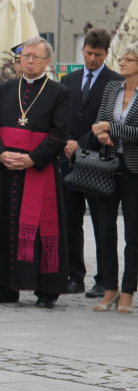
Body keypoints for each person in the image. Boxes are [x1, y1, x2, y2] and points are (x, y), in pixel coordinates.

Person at [0, 37, 70, 308]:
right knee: (4, 226)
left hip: (38, 170)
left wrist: (33, 159)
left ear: (47, 61)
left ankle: (46, 290)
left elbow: (59, 134)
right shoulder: (7, 88)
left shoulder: (59, 92)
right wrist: (0, 154)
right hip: (7, 169)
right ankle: (6, 287)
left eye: (35, 57)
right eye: (25, 56)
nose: (29, 61)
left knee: (42, 229)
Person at [62, 28, 120, 298]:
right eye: (88, 53)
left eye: (97, 55)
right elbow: (62, 116)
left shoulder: (115, 82)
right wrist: (66, 142)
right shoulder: (69, 79)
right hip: (69, 161)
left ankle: (105, 280)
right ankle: (75, 276)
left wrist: (82, 142)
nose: (92, 59)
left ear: (106, 54)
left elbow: (111, 121)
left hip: (98, 161)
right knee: (71, 221)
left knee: (103, 224)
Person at [89, 41, 138, 313]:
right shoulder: (112, 88)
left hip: (134, 170)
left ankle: (128, 290)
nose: (122, 62)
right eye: (122, 58)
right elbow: (99, 120)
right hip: (108, 165)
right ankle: (110, 287)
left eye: (129, 59)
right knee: (105, 229)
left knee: (134, 233)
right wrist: (102, 132)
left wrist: (113, 128)